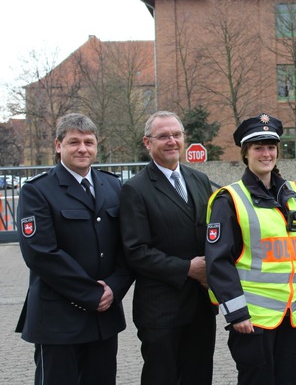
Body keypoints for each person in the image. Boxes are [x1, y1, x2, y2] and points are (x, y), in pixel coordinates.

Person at [15, 113, 134, 385]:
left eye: (89, 142)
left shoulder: (113, 186)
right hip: (58, 319)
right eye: (74, 142)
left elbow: (127, 246)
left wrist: (114, 288)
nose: (83, 148)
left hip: (103, 319)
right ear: (59, 145)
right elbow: (40, 253)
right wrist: (93, 294)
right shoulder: (38, 191)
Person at [205, 113, 296, 384]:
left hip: (291, 314)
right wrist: (236, 312)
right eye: (258, 148)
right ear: (246, 154)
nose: (266, 153)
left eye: (271, 147)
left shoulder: (290, 192)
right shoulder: (229, 199)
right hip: (252, 318)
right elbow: (218, 261)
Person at [120, 110, 216, 385]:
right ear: (148, 143)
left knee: (199, 377)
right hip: (161, 310)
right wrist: (188, 269)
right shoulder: (135, 189)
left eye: (176, 135)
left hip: (200, 305)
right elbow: (135, 251)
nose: (172, 141)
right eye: (163, 136)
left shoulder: (199, 179)